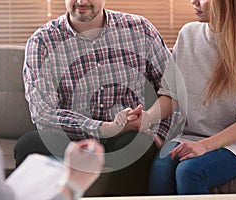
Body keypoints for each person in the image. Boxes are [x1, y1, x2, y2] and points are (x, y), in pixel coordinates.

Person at [15, 0, 172, 195]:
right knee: (28, 144)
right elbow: (42, 112)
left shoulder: (140, 29)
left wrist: (157, 133)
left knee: (138, 144)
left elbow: (172, 90)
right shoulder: (42, 41)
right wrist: (106, 128)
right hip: (72, 138)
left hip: (127, 135)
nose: (81, 1)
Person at [0, 1, 104, 199]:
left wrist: (147, 123)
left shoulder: (137, 28)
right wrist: (73, 185)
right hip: (69, 133)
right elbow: (42, 111)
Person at [115, 0, 236, 195]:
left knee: (190, 171)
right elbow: (172, 95)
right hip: (191, 136)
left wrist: (204, 146)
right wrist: (146, 118)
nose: (194, 1)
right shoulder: (188, 34)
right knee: (161, 167)